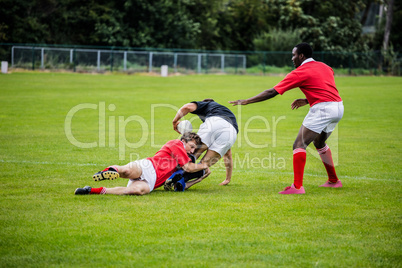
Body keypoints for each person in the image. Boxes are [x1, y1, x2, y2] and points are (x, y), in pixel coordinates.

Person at [229, 42, 344, 195]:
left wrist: (246, 101)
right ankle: (334, 181)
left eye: (294, 55)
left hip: (323, 109)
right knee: (319, 142)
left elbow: (272, 92)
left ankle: (297, 187)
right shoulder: (325, 67)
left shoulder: (299, 72)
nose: (292, 58)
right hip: (338, 107)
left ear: (301, 56)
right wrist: (308, 100)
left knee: (299, 144)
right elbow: (325, 87)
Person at [74, 132, 208, 196]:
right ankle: (107, 171)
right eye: (191, 146)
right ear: (184, 141)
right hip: (148, 167)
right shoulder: (176, 143)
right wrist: (205, 165)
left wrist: (201, 178)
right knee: (126, 171)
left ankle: (90, 190)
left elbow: (184, 179)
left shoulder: (184, 156)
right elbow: (188, 168)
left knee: (134, 191)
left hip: (153, 182)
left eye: (194, 149)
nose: (192, 151)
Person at [168, 99, 238, 190]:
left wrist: (175, 121)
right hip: (231, 132)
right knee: (204, 165)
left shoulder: (209, 104)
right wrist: (228, 179)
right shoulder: (225, 112)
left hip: (214, 122)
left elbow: (187, 107)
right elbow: (228, 155)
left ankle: (171, 176)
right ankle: (181, 182)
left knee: (193, 153)